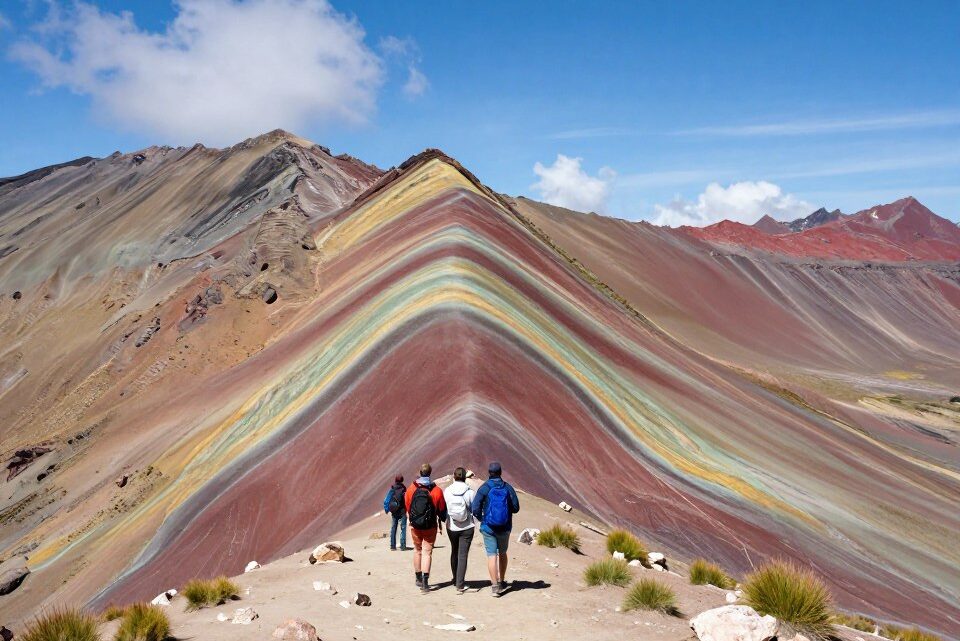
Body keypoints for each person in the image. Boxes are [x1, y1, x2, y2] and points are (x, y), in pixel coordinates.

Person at [471, 461, 520, 596]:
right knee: (502, 553)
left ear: (489, 473)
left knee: (491, 555)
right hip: (505, 527)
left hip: (488, 527)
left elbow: (475, 508)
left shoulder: (484, 488)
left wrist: (482, 518)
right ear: (500, 473)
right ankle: (502, 581)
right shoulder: (508, 488)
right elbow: (516, 508)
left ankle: (494, 586)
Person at [405, 463, 447, 594]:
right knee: (427, 553)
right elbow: (441, 510)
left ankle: (417, 578)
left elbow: (407, 506)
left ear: (420, 472)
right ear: (430, 472)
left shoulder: (411, 488)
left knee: (417, 550)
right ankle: (425, 583)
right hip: (430, 526)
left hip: (415, 525)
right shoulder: (437, 490)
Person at [443, 466, 476, 594]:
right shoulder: (470, 492)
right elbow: (473, 508)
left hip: (451, 526)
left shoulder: (447, 491)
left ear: (454, 476)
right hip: (467, 527)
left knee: (454, 551)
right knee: (463, 555)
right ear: (464, 478)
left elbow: (444, 507)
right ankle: (460, 584)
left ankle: (455, 579)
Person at [382, 474, 407, 551]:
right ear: (402, 480)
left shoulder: (392, 489)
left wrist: (386, 509)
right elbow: (407, 500)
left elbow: (386, 500)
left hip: (394, 511)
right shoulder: (404, 489)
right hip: (402, 511)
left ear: (395, 480)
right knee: (403, 528)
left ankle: (393, 546)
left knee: (393, 528)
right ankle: (402, 546)